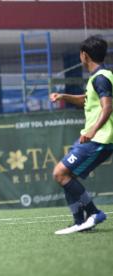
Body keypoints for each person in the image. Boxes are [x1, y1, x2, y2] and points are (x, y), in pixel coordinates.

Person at [50, 35, 113, 235]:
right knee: (65, 175)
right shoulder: (100, 77)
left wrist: (93, 129)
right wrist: (63, 96)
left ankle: (93, 213)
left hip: (100, 138)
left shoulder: (101, 77)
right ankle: (80, 221)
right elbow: (87, 100)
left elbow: (107, 106)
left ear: (84, 55)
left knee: (60, 173)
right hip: (95, 137)